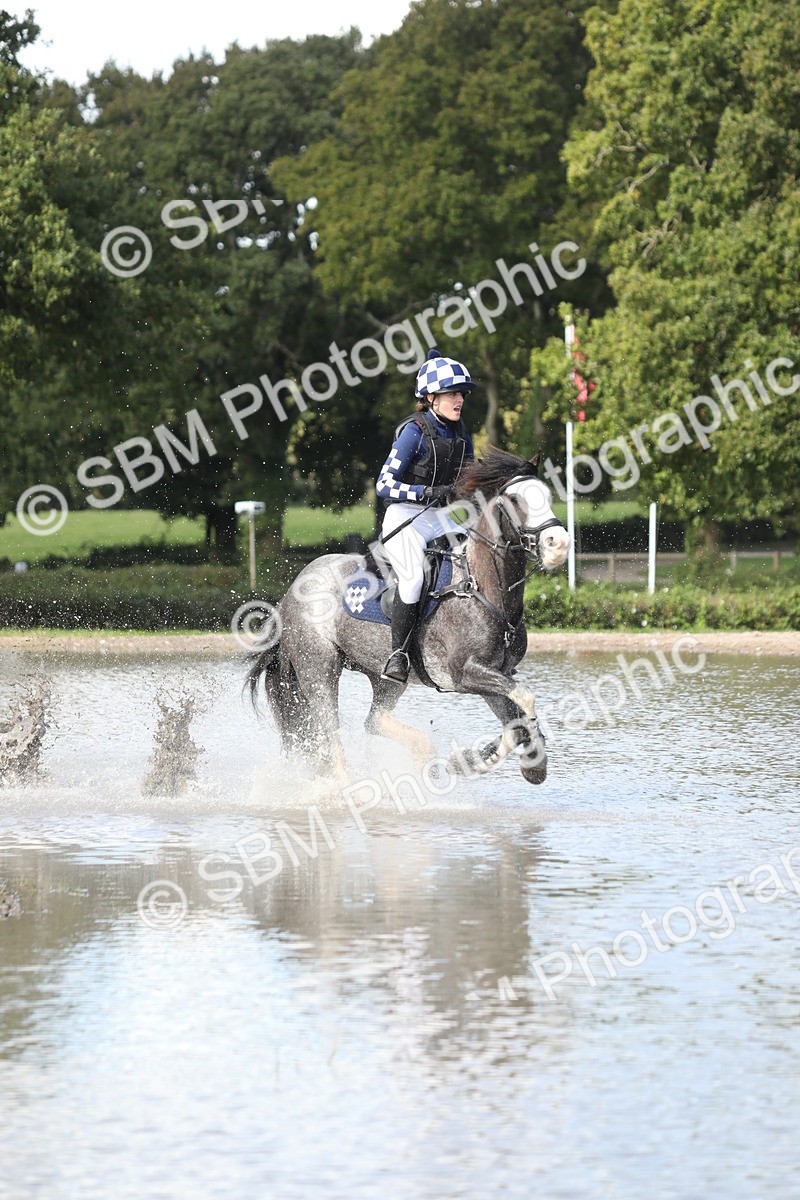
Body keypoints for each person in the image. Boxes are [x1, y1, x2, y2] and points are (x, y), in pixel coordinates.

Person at [375, 347, 475, 683]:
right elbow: (383, 484)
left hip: (443, 518)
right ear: (431, 396)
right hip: (407, 518)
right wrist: (423, 492)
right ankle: (398, 655)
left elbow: (471, 480)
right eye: (451, 393)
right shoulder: (413, 432)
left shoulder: (462, 434)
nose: (459, 399)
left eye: (461, 393)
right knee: (415, 578)